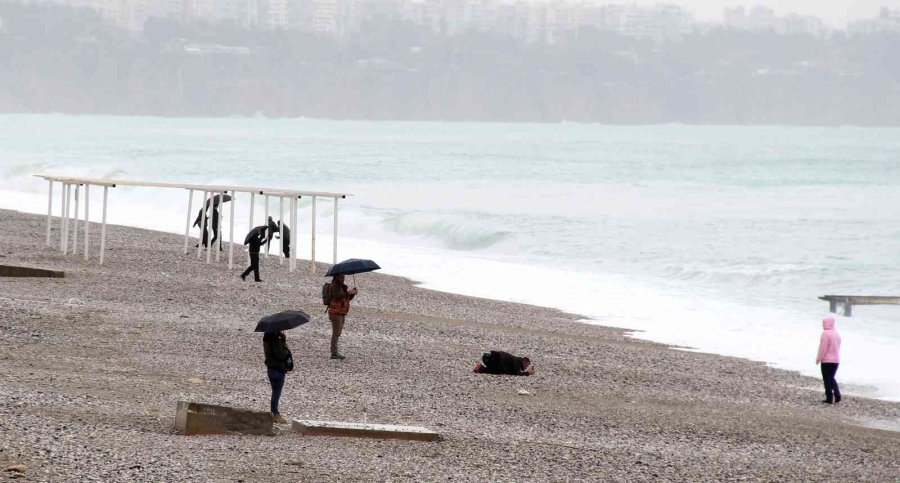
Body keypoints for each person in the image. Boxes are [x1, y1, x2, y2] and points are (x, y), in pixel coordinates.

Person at [263, 330, 292, 423]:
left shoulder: (266, 339)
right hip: (278, 370)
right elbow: (280, 355)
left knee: (275, 392)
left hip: (270, 369)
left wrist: (282, 339)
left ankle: (274, 412)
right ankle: (275, 414)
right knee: (276, 393)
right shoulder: (275, 340)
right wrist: (286, 348)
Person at [326, 274, 357, 360]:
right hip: (335, 312)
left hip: (341, 312)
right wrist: (348, 293)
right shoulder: (334, 286)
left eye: (343, 276)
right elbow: (337, 296)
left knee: (337, 332)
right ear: (336, 277)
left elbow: (346, 298)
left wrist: (352, 294)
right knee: (336, 333)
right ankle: (334, 352)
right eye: (341, 276)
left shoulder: (341, 286)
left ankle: (334, 351)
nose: (343, 278)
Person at [816, 316, 842, 404]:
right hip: (836, 361)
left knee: (827, 379)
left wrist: (819, 358)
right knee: (831, 378)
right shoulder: (837, 334)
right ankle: (837, 395)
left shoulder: (825, 333)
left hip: (827, 360)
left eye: (823, 323)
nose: (822, 325)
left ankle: (829, 398)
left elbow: (823, 348)